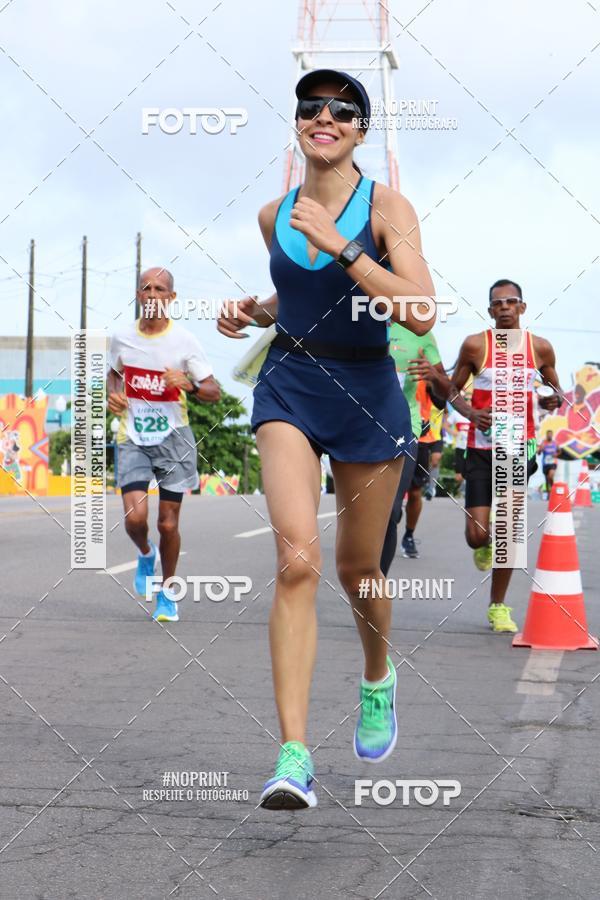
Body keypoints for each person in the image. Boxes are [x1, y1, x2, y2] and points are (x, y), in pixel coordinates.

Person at [218, 69, 435, 809]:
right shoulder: (273, 212)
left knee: (357, 573)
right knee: (297, 562)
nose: (325, 116)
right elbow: (303, 292)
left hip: (368, 394)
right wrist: (258, 311)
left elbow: (420, 310)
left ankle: (378, 676)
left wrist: (344, 246)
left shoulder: (387, 208)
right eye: (313, 105)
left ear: (360, 132)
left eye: (343, 110)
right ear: (299, 121)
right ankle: (293, 755)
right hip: (291, 383)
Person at [447, 278, 561, 633]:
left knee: (510, 531)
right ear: (490, 310)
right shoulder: (475, 346)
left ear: (523, 307)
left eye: (512, 302)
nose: (505, 308)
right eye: (498, 303)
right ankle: (483, 544)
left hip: (517, 446)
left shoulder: (539, 347)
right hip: (481, 449)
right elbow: (451, 390)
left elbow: (556, 387)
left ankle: (498, 607)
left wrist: (550, 398)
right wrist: (469, 413)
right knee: (478, 535)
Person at [107, 268, 220, 622]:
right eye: (146, 288)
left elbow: (213, 391)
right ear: (138, 296)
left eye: (160, 289)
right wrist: (113, 394)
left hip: (174, 438)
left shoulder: (185, 341)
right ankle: (144, 553)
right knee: (135, 518)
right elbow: (114, 372)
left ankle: (168, 593)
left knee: (168, 524)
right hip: (133, 437)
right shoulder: (122, 337)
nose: (152, 294)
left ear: (171, 298)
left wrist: (188, 383)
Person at [381, 332, 444, 570]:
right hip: (371, 427)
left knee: (410, 496)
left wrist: (433, 377)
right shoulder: (359, 322)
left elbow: (442, 400)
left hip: (419, 431)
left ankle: (407, 534)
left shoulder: (420, 341)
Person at [537, 429, 559, 494]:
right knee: (546, 479)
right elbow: (538, 453)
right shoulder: (543, 443)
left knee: (550, 476)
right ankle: (549, 493)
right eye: (548, 434)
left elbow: (560, 451)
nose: (549, 435)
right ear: (546, 435)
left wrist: (556, 454)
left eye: (550, 434)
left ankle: (552, 489)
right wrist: (541, 449)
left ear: (552, 435)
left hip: (553, 462)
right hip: (545, 463)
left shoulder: (555, 443)